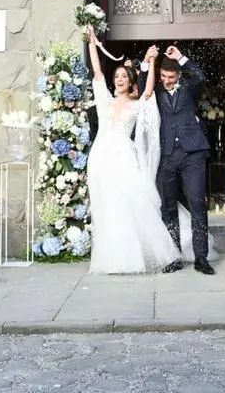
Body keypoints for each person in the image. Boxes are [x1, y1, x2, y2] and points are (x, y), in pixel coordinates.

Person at [85, 27, 180, 274]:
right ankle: (113, 258)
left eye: (123, 78)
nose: (118, 80)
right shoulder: (105, 99)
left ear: (130, 82)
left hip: (123, 156)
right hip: (101, 156)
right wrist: (92, 43)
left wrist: (151, 61)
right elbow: (97, 71)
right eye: (116, 77)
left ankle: (137, 255)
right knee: (106, 205)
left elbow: (148, 92)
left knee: (129, 202)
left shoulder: (135, 105)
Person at [139, 41, 215, 275]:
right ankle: (174, 256)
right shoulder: (156, 91)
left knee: (197, 204)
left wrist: (182, 57)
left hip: (193, 154)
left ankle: (201, 258)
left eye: (171, 77)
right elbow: (143, 86)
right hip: (166, 157)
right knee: (168, 207)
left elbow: (201, 77)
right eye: (163, 76)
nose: (166, 80)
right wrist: (147, 60)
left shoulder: (189, 89)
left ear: (179, 75)